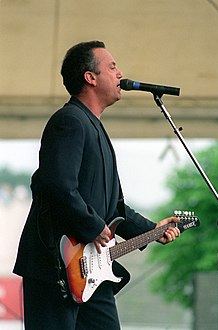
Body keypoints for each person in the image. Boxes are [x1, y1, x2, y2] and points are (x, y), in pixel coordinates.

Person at [13, 40, 180, 330]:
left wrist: (151, 230)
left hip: (94, 272)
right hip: (57, 267)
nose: (120, 74)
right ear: (90, 77)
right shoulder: (69, 121)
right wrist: (92, 226)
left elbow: (112, 207)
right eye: (112, 67)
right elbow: (57, 184)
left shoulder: (94, 127)